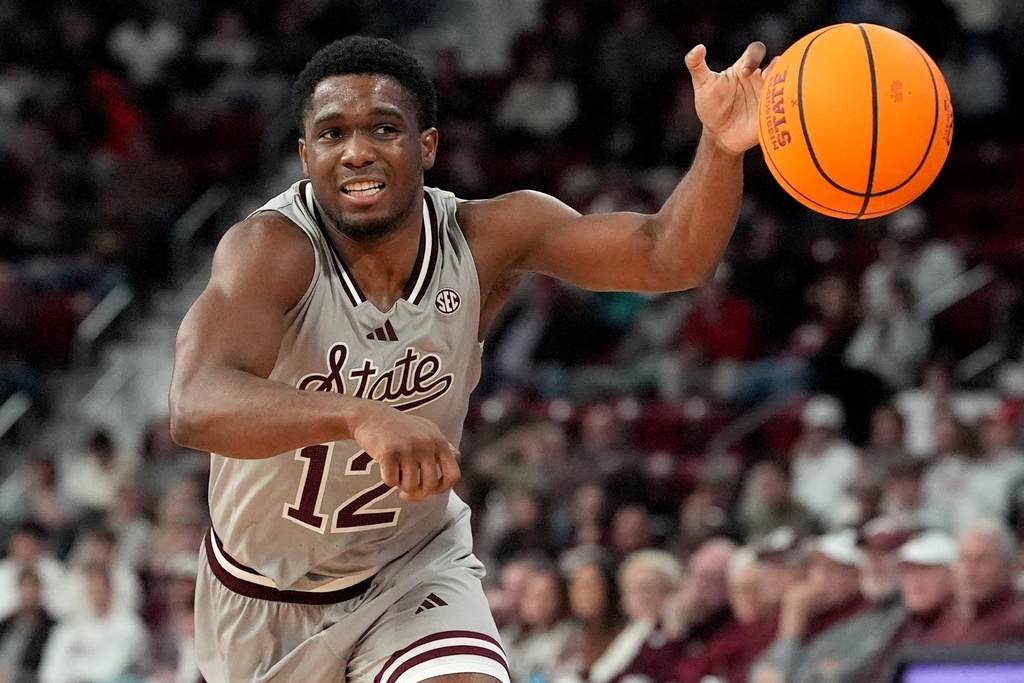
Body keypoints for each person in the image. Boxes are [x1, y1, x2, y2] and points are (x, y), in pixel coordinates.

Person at [168, 34, 775, 683]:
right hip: (261, 595)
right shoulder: (271, 249)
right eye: (332, 133)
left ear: (427, 146)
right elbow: (195, 405)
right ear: (305, 155)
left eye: (383, 129)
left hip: (411, 568)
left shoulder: (486, 238)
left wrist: (721, 145)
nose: (357, 151)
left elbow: (667, 255)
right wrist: (358, 415)